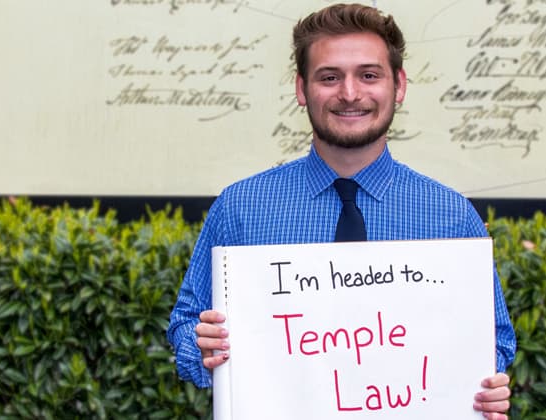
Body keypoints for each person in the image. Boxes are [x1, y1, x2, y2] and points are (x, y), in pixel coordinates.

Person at [167, 3, 516, 418]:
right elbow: (185, 326)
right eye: (329, 77)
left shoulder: (450, 216)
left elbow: (494, 342)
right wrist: (203, 345)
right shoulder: (241, 208)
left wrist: (482, 386)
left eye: (369, 75)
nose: (350, 94)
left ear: (399, 86)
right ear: (301, 89)